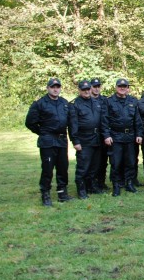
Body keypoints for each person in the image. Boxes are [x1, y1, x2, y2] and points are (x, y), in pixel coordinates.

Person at [25, 77, 72, 206]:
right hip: (48, 140)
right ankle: (45, 194)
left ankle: (62, 193)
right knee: (48, 169)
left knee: (63, 167)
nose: (55, 89)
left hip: (62, 139)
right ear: (48, 88)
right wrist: (42, 132)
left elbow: (69, 120)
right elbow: (30, 122)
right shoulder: (39, 103)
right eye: (53, 87)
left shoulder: (64, 103)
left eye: (58, 87)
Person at [101, 78, 143, 196]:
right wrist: (106, 135)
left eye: (125, 86)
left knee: (130, 161)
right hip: (115, 136)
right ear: (116, 87)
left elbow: (137, 120)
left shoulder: (133, 101)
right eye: (120, 86)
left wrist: (139, 134)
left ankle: (129, 183)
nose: (122, 88)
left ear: (128, 88)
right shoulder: (109, 101)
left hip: (130, 136)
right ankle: (116, 185)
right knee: (116, 162)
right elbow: (104, 120)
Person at [68, 79, 104, 198]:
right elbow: (73, 124)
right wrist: (75, 141)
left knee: (95, 165)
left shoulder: (96, 102)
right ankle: (81, 189)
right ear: (79, 90)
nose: (86, 91)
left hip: (97, 138)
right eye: (83, 90)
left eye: (88, 89)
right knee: (83, 166)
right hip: (84, 139)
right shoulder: (75, 104)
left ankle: (91, 186)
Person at [90, 78, 111, 191]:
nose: (97, 88)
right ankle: (92, 183)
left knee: (103, 160)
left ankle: (101, 182)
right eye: (94, 86)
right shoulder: (86, 100)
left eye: (98, 86)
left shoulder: (105, 100)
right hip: (91, 135)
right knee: (93, 161)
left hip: (103, 134)